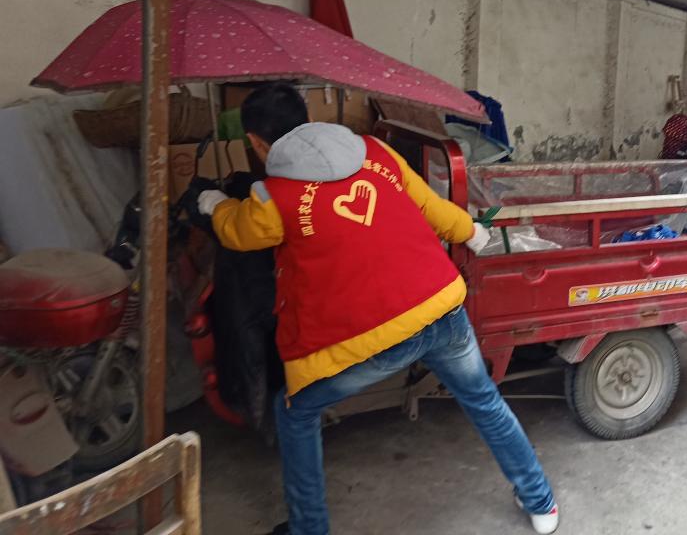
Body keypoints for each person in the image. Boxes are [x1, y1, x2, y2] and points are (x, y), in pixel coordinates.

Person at [194, 84, 558, 535]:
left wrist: (214, 203)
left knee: (295, 412)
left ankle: (309, 528)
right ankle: (541, 502)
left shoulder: (274, 198)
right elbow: (429, 206)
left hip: (374, 336)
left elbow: (236, 232)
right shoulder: (374, 151)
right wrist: (471, 233)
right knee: (483, 399)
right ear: (308, 118)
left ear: (255, 143)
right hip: (440, 306)